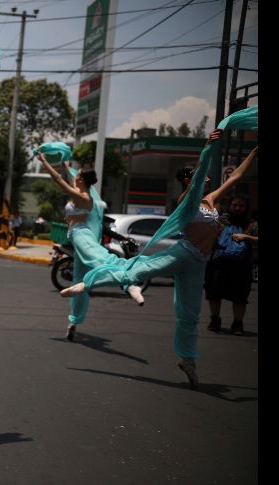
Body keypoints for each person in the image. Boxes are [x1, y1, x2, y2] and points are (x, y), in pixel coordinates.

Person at [61, 130, 258, 389]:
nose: (208, 178)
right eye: (200, 176)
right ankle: (86, 284)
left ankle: (188, 360)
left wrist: (255, 151)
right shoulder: (186, 200)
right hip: (183, 253)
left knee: (190, 314)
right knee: (137, 270)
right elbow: (199, 177)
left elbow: (237, 176)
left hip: (200, 261)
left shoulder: (211, 200)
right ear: (188, 181)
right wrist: (207, 149)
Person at [36, 147, 144, 342]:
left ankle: (129, 285)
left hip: (81, 235)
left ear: (82, 180)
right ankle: (73, 321)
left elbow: (59, 181)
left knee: (98, 258)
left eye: (77, 175)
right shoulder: (79, 191)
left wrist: (44, 162)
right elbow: (66, 178)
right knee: (79, 281)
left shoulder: (84, 198)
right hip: (76, 237)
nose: (75, 176)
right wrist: (64, 166)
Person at [204, 193, 258, 335]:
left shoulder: (252, 224)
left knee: (240, 297)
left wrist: (246, 237)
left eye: (241, 205)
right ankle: (215, 320)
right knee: (214, 293)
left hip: (242, 266)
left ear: (246, 207)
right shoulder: (220, 220)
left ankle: (237, 324)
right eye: (235, 205)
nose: (237, 208)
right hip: (218, 263)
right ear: (230, 206)